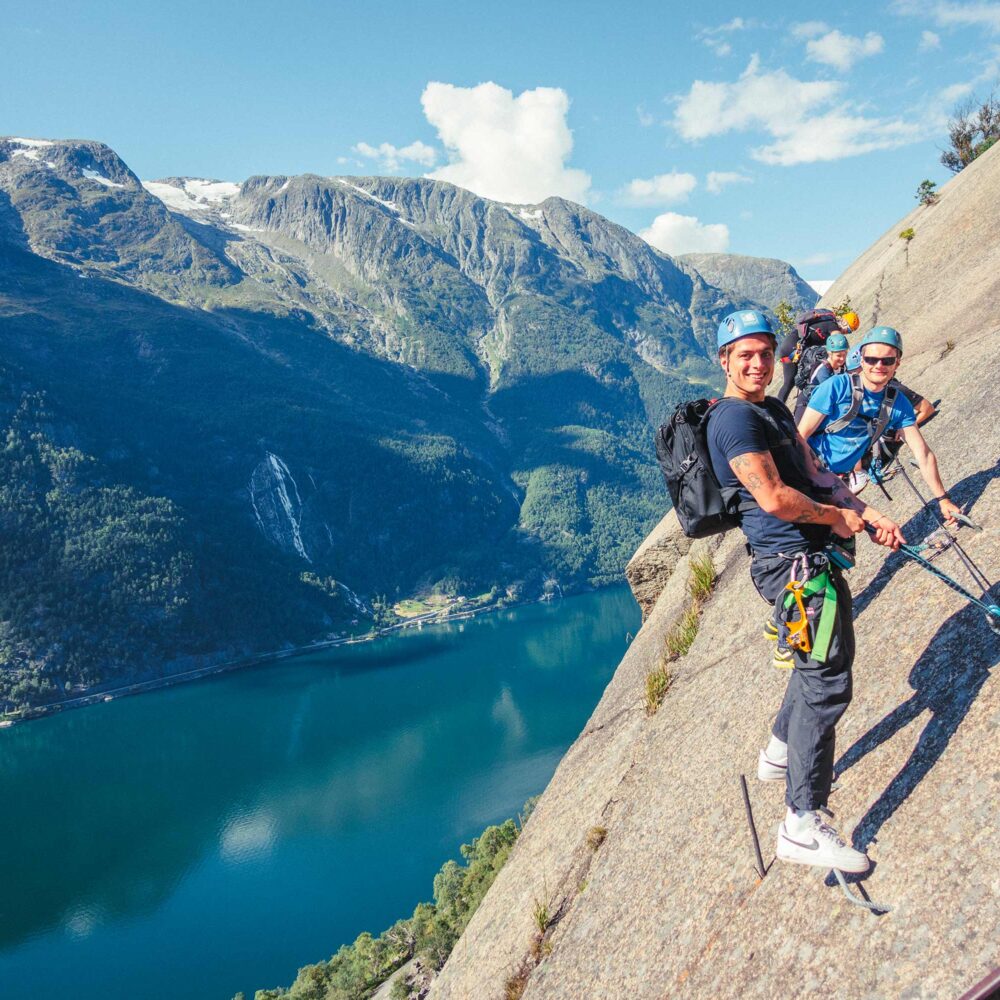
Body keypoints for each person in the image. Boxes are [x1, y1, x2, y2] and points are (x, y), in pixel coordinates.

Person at [706, 310, 904, 874]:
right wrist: (834, 519)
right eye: (744, 354)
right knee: (827, 679)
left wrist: (863, 511)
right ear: (724, 360)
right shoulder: (733, 423)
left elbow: (814, 468)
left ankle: (778, 751)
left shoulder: (769, 409)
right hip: (791, 565)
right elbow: (772, 497)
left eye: (765, 352)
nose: (757, 362)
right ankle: (800, 821)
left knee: (812, 661)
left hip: (807, 555)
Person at [797, 327, 961, 524]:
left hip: (838, 483)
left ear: (897, 364)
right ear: (862, 360)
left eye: (887, 360)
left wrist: (943, 499)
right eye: (871, 359)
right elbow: (800, 437)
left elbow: (923, 455)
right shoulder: (836, 387)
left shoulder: (898, 404)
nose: (878, 365)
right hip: (806, 476)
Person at [776, 308, 859, 404]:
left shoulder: (827, 322)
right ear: (844, 322)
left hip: (788, 349)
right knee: (814, 373)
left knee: (789, 383)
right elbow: (839, 346)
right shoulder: (833, 327)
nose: (846, 333)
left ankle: (777, 410)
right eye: (848, 330)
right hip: (795, 349)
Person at [792, 331, 849, 423]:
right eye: (838, 355)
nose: (842, 358)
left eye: (844, 354)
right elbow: (831, 394)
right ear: (830, 353)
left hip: (820, 403)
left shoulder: (842, 366)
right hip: (807, 403)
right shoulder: (823, 370)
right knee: (799, 434)